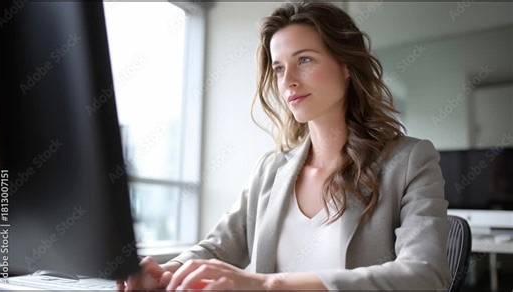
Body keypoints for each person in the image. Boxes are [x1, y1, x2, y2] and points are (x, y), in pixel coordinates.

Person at [119, 2, 452, 290]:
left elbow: (424, 275)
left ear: (347, 66)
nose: (287, 80)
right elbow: (218, 247)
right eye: (278, 68)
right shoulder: (271, 169)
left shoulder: (410, 160)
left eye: (304, 60)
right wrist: (166, 273)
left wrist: (268, 285)